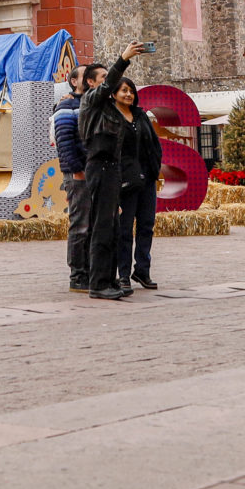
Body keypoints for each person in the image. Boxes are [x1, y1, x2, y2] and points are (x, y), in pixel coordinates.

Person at [78, 41, 147, 301]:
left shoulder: (108, 107)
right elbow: (109, 86)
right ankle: (98, 283)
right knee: (103, 226)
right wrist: (123, 59)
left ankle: (108, 279)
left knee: (113, 227)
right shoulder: (90, 101)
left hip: (112, 168)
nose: (109, 81)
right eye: (103, 77)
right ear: (91, 83)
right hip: (101, 166)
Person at [55, 61, 106, 291]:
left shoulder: (98, 104)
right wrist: (77, 170)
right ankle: (78, 274)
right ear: (74, 81)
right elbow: (64, 141)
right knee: (81, 224)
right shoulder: (67, 105)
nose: (88, 79)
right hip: (79, 174)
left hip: (97, 172)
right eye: (85, 76)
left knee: (95, 224)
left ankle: (94, 271)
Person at [115, 78, 163, 290]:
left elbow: (154, 144)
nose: (128, 95)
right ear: (114, 93)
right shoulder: (111, 117)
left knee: (146, 226)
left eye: (131, 91)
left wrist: (154, 168)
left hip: (147, 179)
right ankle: (123, 275)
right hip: (125, 181)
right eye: (124, 90)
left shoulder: (141, 115)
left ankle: (142, 270)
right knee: (124, 230)